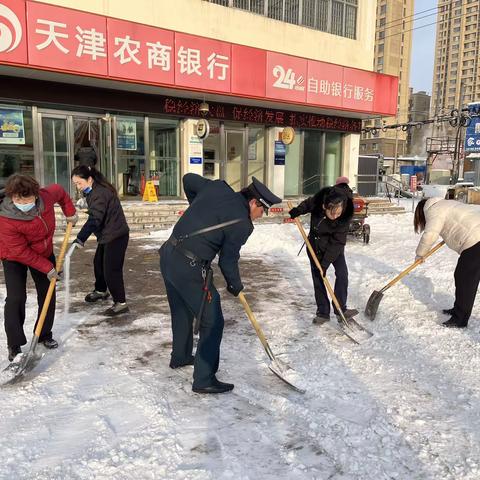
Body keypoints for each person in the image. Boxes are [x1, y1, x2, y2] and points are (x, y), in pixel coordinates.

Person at [160, 174, 281, 394]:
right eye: (262, 211)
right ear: (254, 203)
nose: (260, 216)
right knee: (212, 320)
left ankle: (181, 356)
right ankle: (204, 379)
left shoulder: (218, 188)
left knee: (182, 310)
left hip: (168, 255)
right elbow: (228, 260)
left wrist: (198, 209)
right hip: (189, 267)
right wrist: (235, 286)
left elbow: (187, 179)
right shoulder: (242, 224)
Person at [0, 174, 77, 361]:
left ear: (36, 195)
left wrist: (70, 212)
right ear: (12, 196)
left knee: (48, 292)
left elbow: (60, 192)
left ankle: (44, 334)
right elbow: (20, 251)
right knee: (16, 297)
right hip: (13, 256)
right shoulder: (5, 218)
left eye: (27, 198)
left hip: (43, 251)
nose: (23, 203)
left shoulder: (46, 197)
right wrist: (47, 268)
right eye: (18, 199)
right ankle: (15, 344)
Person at [289, 182, 355, 324]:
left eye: (339, 212)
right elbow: (307, 204)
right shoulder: (319, 200)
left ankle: (340, 308)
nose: (336, 216)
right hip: (315, 246)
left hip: (334, 247)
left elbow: (337, 243)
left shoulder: (345, 216)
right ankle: (323, 312)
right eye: (333, 212)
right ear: (325, 206)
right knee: (318, 278)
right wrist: (298, 210)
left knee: (342, 273)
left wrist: (324, 264)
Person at [70, 165, 130, 316]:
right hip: (107, 234)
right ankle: (101, 290)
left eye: (79, 183)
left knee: (111, 269)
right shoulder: (93, 190)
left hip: (116, 235)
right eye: (75, 184)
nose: (78, 187)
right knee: (99, 263)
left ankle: (121, 303)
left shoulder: (99, 193)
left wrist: (80, 238)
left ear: (89, 179)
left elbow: (95, 218)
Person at [414, 197, 480, 328]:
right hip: (476, 237)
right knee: (463, 277)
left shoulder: (434, 210)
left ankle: (460, 319)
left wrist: (420, 254)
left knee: (465, 279)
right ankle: (458, 310)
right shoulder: (446, 204)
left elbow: (430, 234)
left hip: (475, 240)